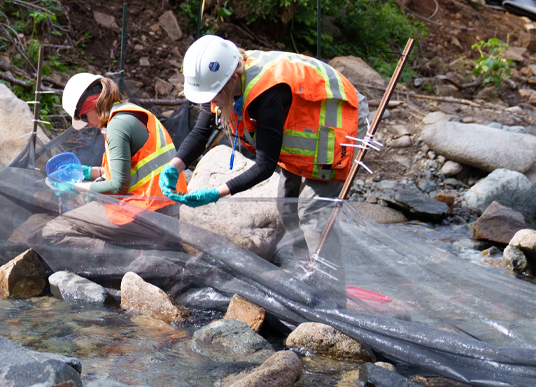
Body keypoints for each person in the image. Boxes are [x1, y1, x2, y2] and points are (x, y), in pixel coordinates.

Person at [160, 35, 370, 289]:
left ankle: (332, 293)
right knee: (286, 205)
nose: (209, 101)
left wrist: (216, 193)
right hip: (303, 130)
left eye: (213, 95)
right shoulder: (220, 83)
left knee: (313, 212)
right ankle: (307, 272)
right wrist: (174, 167)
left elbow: (265, 166)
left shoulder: (266, 93)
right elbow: (200, 133)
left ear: (232, 79)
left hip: (340, 122)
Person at [38, 73, 187, 251]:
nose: (88, 124)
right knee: (85, 202)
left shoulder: (117, 126)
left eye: (84, 117)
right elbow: (129, 171)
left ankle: (125, 258)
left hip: (148, 214)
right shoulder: (127, 113)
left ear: (91, 103)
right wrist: (89, 172)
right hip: (164, 210)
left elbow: (118, 186)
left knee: (55, 230)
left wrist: (76, 185)